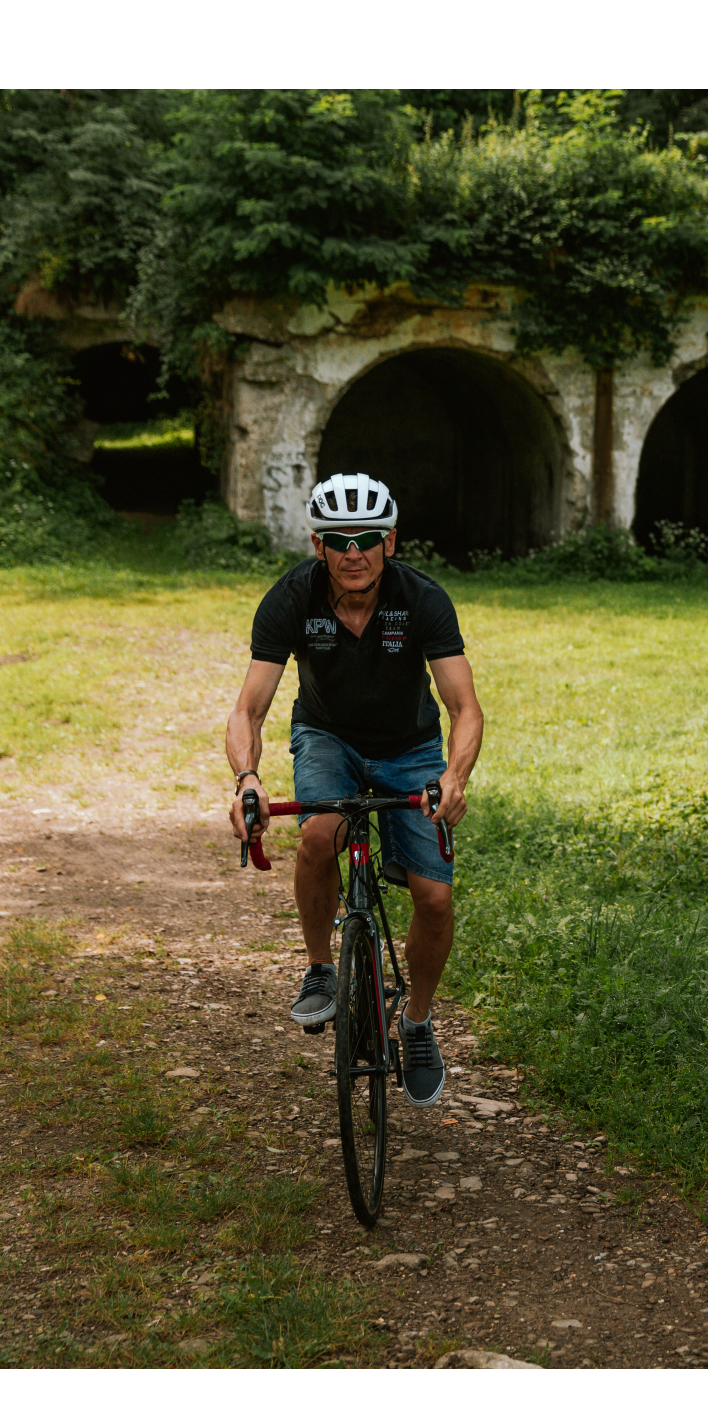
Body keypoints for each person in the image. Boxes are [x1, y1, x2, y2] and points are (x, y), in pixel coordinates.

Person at [224, 471, 483, 1108]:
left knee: (435, 898)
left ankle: (417, 1022)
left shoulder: (422, 599)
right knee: (319, 833)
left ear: (389, 541)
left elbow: (464, 707)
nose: (353, 552)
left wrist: (453, 778)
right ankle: (320, 968)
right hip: (328, 737)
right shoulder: (290, 598)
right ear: (318, 546)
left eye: (367, 537)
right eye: (339, 539)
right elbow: (248, 710)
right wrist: (247, 779)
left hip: (411, 747)